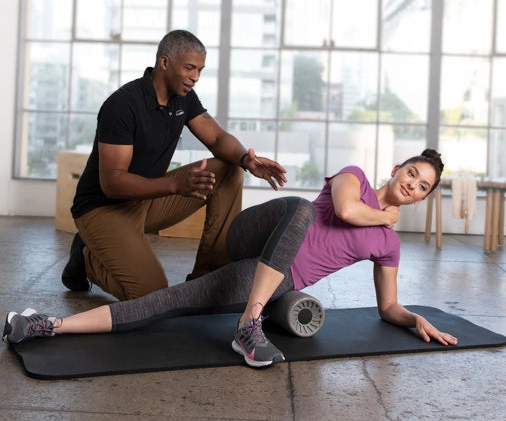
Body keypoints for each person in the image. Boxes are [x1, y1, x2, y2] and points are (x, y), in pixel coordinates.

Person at [3, 149, 459, 368]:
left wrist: (413, 319)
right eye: (412, 174)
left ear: (423, 198)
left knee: (169, 301)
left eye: (422, 187)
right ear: (398, 167)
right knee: (301, 207)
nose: (412, 185)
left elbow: (387, 307)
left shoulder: (389, 245)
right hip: (251, 235)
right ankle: (251, 325)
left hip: (273, 277)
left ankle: (44, 325)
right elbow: (344, 211)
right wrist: (385, 216)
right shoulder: (355, 178)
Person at [61, 29, 287, 301]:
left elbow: (215, 136)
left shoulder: (183, 98)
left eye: (200, 70)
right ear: (164, 63)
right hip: (103, 209)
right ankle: (86, 258)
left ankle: (207, 273)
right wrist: (173, 184)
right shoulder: (123, 104)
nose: (195, 77)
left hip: (147, 200)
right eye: (190, 68)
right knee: (151, 295)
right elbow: (112, 182)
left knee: (228, 169)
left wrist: (246, 159)